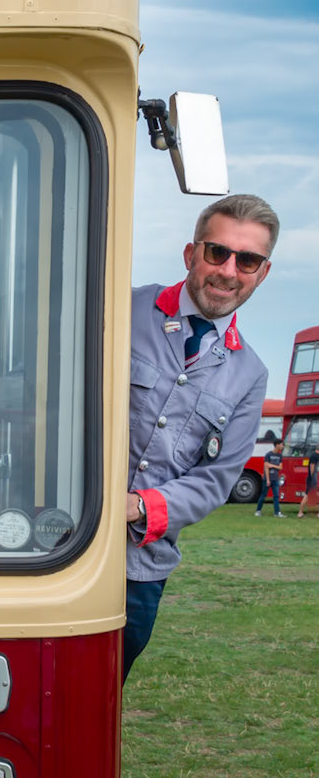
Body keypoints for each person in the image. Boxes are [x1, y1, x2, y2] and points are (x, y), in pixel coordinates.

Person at [124, 193, 275, 678]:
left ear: (262, 273)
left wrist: (141, 507)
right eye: (218, 252)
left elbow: (216, 479)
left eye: (247, 260)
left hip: (140, 568)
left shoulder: (250, 372)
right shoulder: (120, 307)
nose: (229, 271)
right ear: (191, 255)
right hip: (58, 541)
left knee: (97, 705)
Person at [255, 438, 284, 518]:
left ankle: (277, 512)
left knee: (276, 496)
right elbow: (266, 467)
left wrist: (272, 465)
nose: (282, 446)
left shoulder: (279, 455)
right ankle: (258, 510)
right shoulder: (268, 455)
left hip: (275, 478)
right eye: (281, 444)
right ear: (277, 445)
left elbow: (280, 467)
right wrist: (267, 479)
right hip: (268, 479)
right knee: (263, 495)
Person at [298, 445, 319, 520]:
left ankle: (300, 512)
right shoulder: (314, 456)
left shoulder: (316, 456)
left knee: (308, 495)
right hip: (313, 479)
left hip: (315, 479)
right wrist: (313, 479)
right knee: (307, 496)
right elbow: (312, 468)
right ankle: (300, 512)